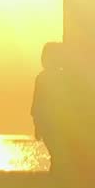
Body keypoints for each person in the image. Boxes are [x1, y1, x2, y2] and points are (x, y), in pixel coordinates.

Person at [31, 42, 69, 175]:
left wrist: (37, 125)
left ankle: (56, 181)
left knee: (58, 157)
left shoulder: (43, 77)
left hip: (52, 124)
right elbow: (37, 104)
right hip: (54, 124)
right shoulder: (60, 77)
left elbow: (36, 105)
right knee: (59, 156)